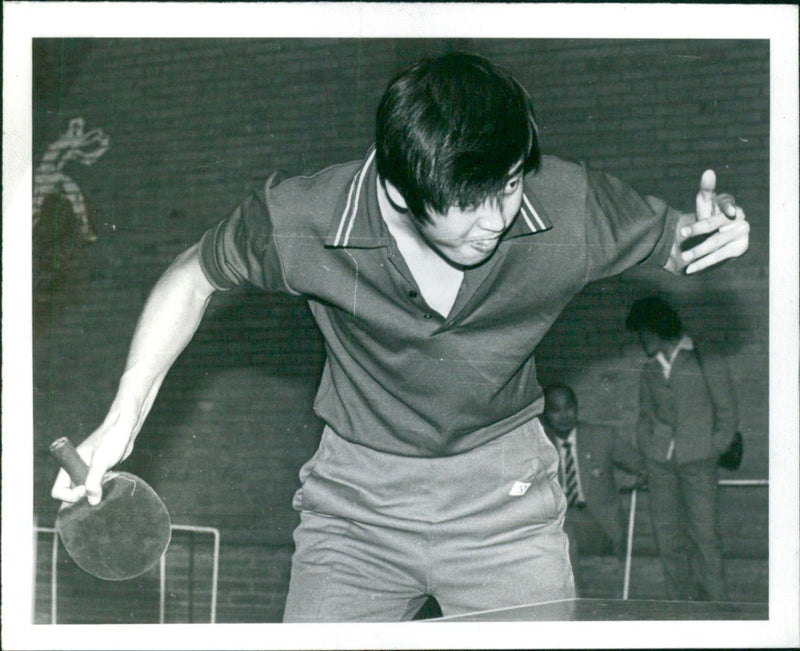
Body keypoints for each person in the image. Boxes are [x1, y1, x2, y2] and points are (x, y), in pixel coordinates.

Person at [51, 52, 750, 621]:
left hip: (504, 502)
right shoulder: (307, 220)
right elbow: (193, 275)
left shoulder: (567, 203)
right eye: (469, 205)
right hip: (356, 506)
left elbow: (676, 238)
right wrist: (124, 415)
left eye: (507, 187)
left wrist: (711, 231)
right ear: (399, 189)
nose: (497, 219)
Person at [626, 296, 738, 601]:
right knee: (668, 540)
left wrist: (712, 449)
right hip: (660, 466)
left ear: (656, 328)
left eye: (642, 332)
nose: (640, 340)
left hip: (699, 463)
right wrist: (650, 450)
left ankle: (716, 609)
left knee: (704, 537)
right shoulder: (649, 370)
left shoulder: (705, 358)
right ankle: (681, 608)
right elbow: (644, 417)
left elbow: (727, 413)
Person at [541, 383, 646, 597]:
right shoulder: (540, 445)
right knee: (561, 533)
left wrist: (623, 481)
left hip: (600, 522)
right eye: (555, 410)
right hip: (559, 524)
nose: (564, 415)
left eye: (569, 408)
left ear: (577, 408)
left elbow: (641, 466)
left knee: (565, 535)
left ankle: (577, 602)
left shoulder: (601, 436)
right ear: (545, 415)